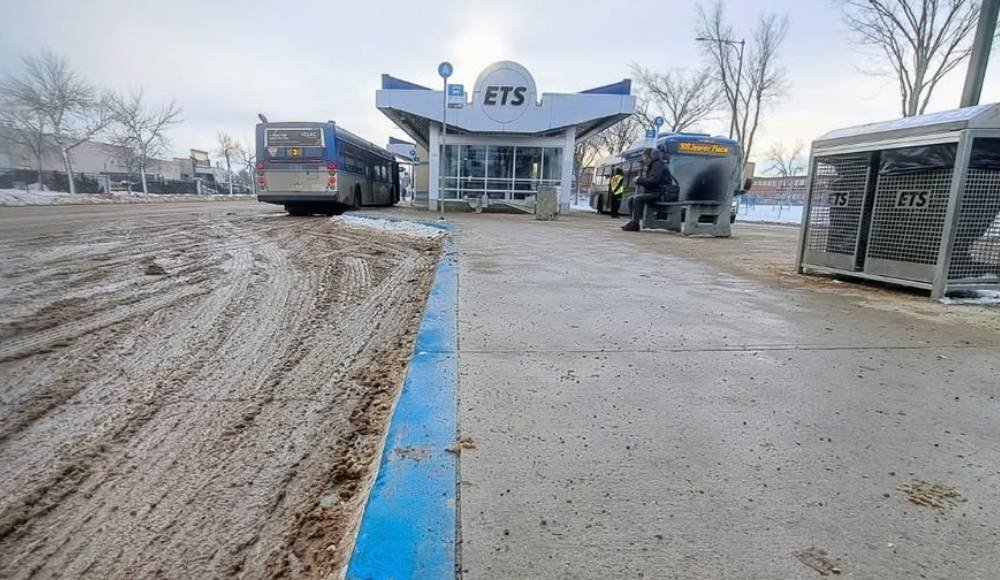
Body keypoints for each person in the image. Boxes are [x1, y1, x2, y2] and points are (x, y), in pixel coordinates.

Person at [621, 148, 673, 232]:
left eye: (644, 157)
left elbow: (654, 181)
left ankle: (635, 224)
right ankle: (633, 221)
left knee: (637, 199)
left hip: (661, 193)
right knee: (631, 199)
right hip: (656, 192)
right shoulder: (654, 165)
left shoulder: (657, 165)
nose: (644, 160)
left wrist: (640, 180)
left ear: (650, 157)